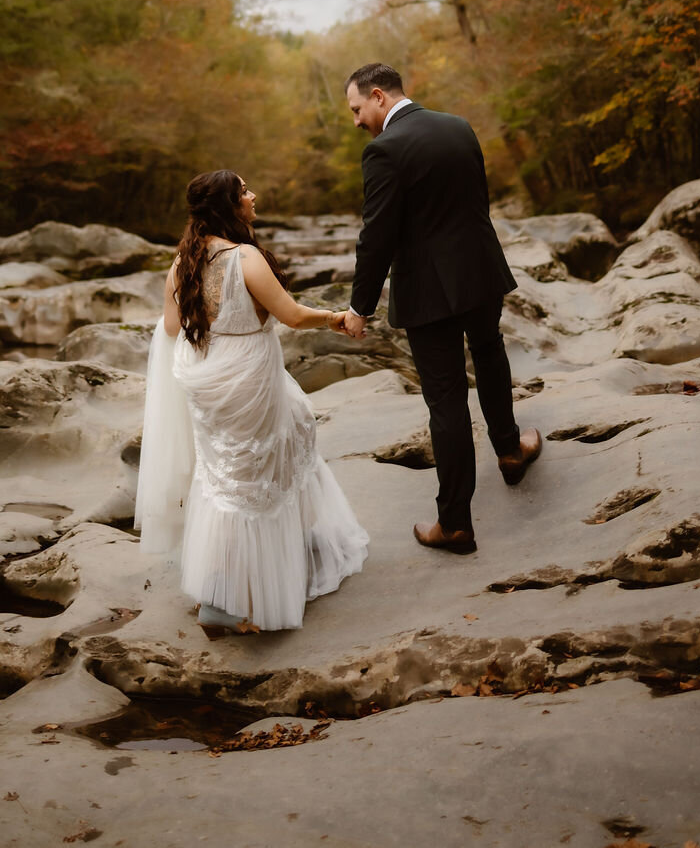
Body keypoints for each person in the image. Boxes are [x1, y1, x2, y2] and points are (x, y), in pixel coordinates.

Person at [134, 169, 368, 637]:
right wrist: (337, 318)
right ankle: (242, 588)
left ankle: (235, 579)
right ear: (228, 205)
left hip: (208, 380)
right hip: (250, 379)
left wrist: (210, 349)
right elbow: (293, 315)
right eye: (244, 190)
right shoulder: (246, 258)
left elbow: (171, 330)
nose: (253, 195)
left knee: (226, 472)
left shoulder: (181, 265)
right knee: (260, 469)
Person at [342, 63, 541, 554]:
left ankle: (454, 524)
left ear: (378, 96)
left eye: (356, 109)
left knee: (447, 401)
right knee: (490, 353)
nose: (356, 121)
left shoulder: (383, 150)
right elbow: (478, 202)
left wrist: (359, 307)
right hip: (479, 271)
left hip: (429, 292)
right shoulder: (459, 126)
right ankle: (511, 451)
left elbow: (377, 237)